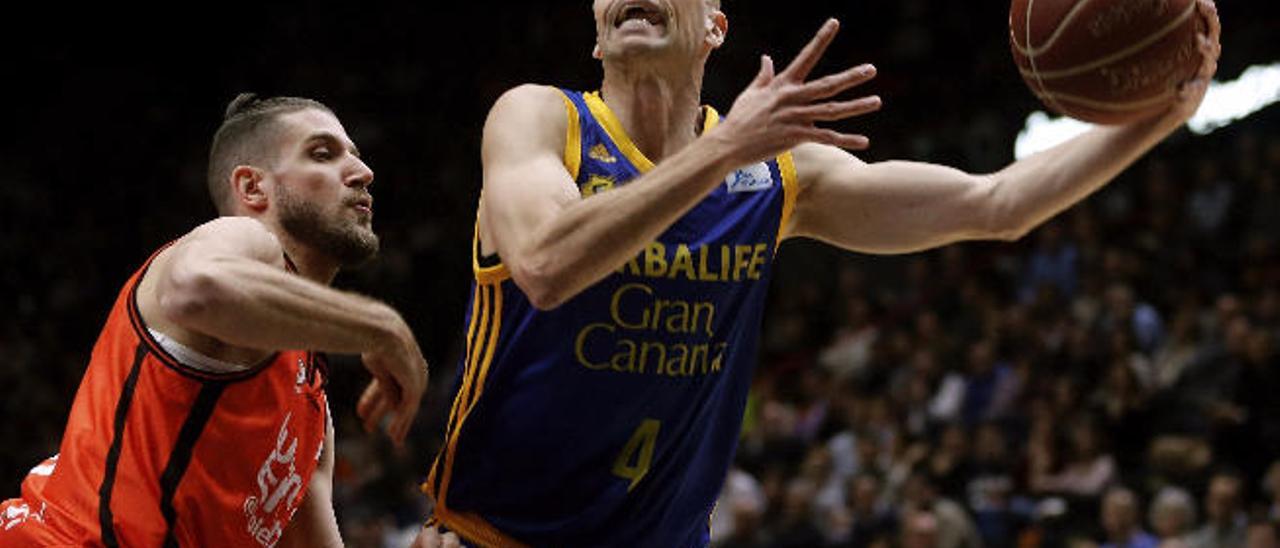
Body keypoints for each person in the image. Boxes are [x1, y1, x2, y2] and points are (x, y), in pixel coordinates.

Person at [416, 0, 1221, 545]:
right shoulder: (540, 117)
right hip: (497, 537)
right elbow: (549, 264)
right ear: (595, 36)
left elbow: (999, 204)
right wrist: (723, 148)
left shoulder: (775, 176)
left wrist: (1159, 118)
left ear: (714, 28)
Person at [0, 94, 429, 547]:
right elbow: (194, 288)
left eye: (357, 157)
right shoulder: (243, 239)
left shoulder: (311, 409)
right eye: (322, 153)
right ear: (252, 188)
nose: (363, 173)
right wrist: (383, 327)